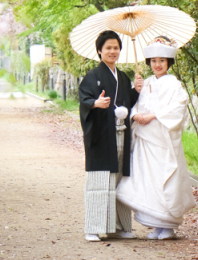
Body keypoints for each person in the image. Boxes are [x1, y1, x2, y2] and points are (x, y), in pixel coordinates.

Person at [116, 36, 196, 240]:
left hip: (162, 137)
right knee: (147, 179)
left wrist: (153, 115)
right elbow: (136, 104)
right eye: (153, 61)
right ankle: (156, 224)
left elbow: (178, 107)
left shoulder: (174, 84)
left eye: (161, 60)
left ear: (168, 62)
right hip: (145, 137)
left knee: (164, 178)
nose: (157, 65)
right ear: (149, 62)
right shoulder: (147, 82)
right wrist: (134, 112)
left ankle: (168, 226)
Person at [79, 30, 142, 242]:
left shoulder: (123, 77)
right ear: (99, 51)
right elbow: (84, 100)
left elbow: (127, 101)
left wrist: (136, 90)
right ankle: (94, 227)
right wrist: (95, 103)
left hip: (122, 133)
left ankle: (120, 226)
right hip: (101, 134)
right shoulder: (93, 76)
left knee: (120, 179)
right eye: (108, 48)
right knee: (99, 180)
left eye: (116, 48)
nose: (112, 51)